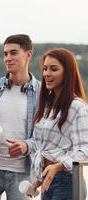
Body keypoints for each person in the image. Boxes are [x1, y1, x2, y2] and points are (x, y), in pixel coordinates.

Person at [0, 34, 41, 200]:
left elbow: (46, 137)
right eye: (5, 54)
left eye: (13, 53)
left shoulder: (43, 93)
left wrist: (26, 145)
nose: (8, 58)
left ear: (28, 55)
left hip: (23, 174)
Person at [31, 48, 88, 200]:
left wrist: (57, 166)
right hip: (47, 181)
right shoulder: (47, 105)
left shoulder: (76, 107)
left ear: (67, 72)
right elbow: (43, 147)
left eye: (53, 69)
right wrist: (37, 175)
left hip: (66, 181)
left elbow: (85, 150)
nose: (47, 74)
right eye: (45, 69)